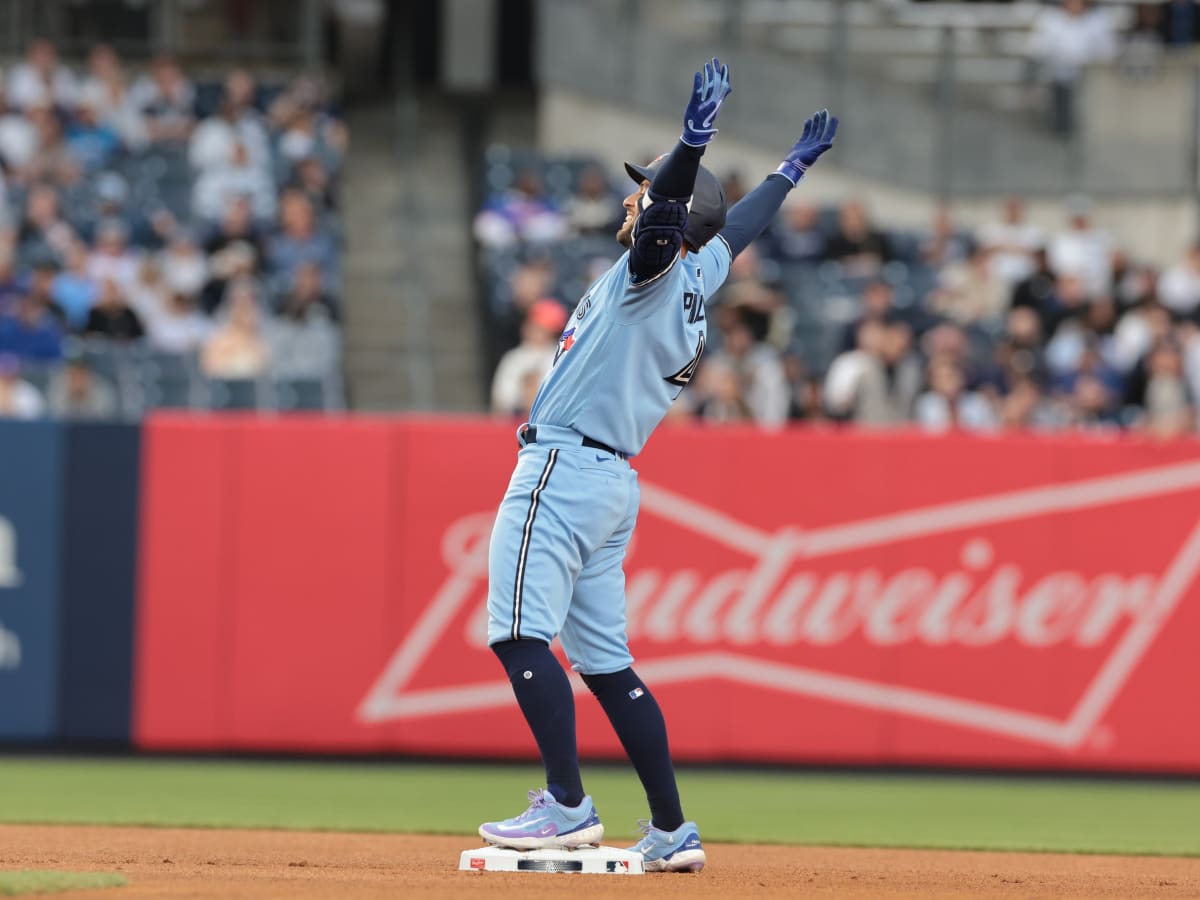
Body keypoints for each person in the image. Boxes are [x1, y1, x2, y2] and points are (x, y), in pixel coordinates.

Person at [475, 58, 838, 872]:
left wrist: (693, 140)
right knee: (606, 665)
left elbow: (676, 213)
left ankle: (567, 806)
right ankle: (672, 831)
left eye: (645, 193)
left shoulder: (654, 270)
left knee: (517, 635)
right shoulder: (699, 279)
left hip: (563, 475)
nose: (636, 196)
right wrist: (790, 169)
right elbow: (737, 227)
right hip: (613, 486)